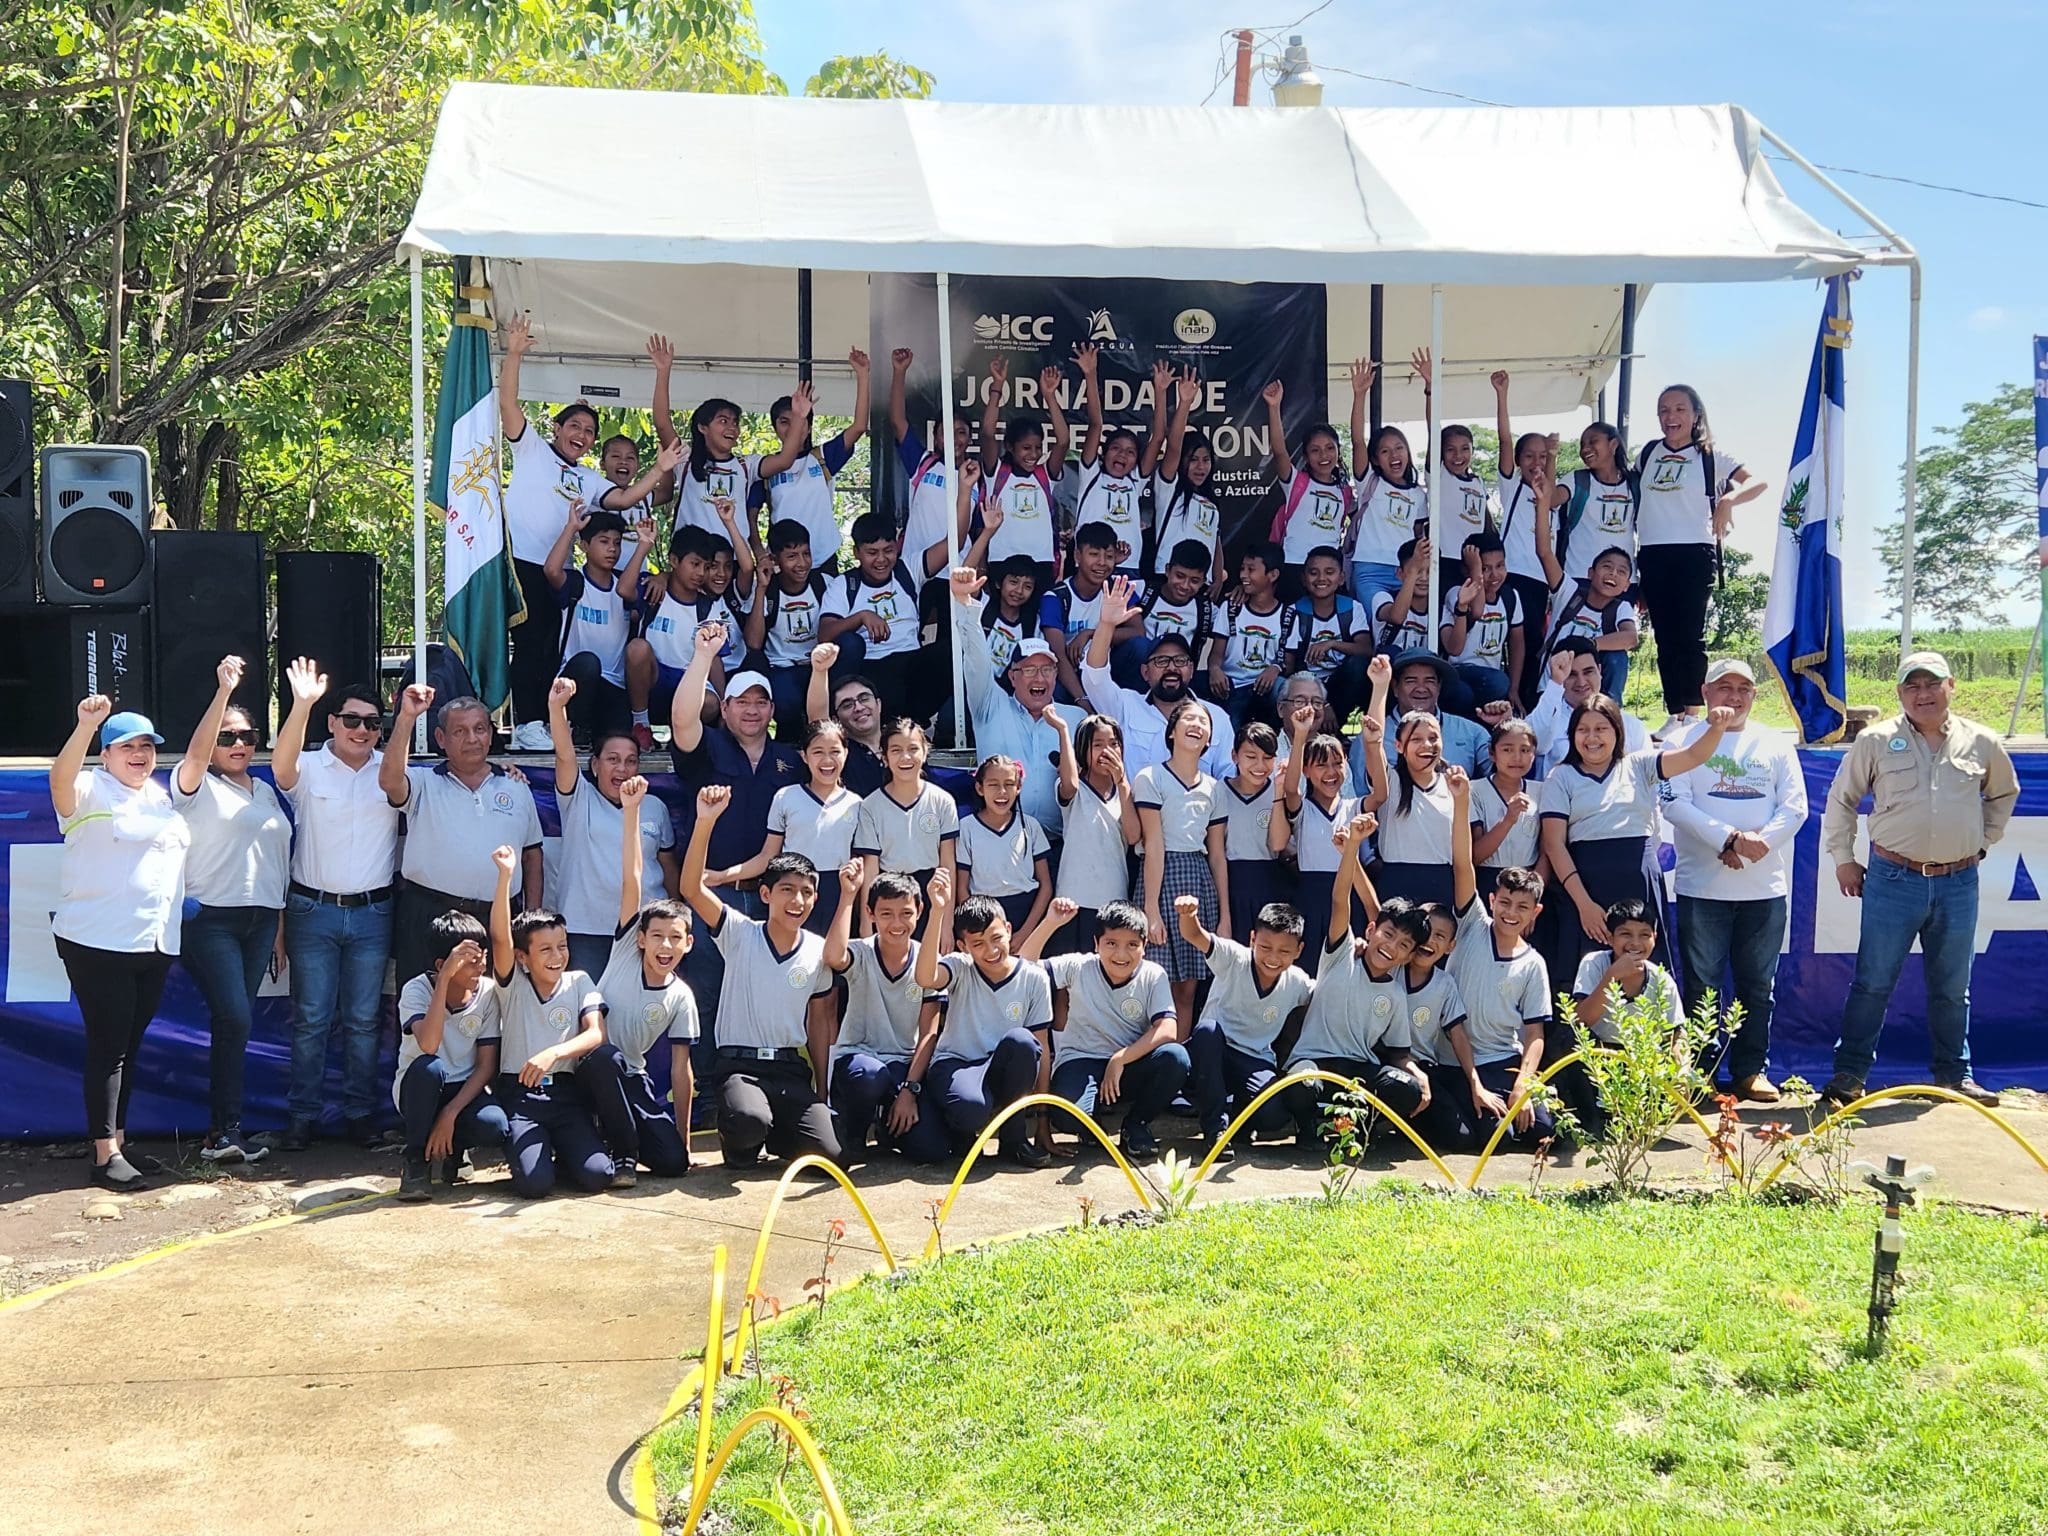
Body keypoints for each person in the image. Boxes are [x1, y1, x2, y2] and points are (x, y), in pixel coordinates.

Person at [1819, 651, 2017, 1109]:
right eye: (1912, 686)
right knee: (1872, 981)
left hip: (1958, 881)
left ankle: (1954, 1077)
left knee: (1952, 984)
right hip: (1892, 877)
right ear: (1899, 693)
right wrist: (1844, 858)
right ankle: (1849, 1076)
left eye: (1932, 685)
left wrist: (1982, 842)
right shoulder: (1875, 740)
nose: (1922, 694)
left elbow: (2004, 794)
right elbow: (1842, 800)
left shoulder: (1982, 742)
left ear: (1951, 686)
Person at [498, 316, 676, 748]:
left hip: (553, 568)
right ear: (557, 428)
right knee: (525, 642)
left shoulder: (592, 482)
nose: (581, 435)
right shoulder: (533, 448)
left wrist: (660, 469)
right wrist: (516, 352)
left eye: (589, 432)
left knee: (544, 646)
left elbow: (627, 498)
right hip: (517, 559)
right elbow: (507, 405)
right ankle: (521, 725)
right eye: (574, 426)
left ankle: (538, 723)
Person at [49, 696, 188, 1191]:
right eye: (127, 745)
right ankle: (103, 1154)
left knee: (128, 1046)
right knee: (109, 1048)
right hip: (97, 940)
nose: (140, 753)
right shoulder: (88, 788)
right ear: (105, 754)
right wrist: (86, 725)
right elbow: (60, 780)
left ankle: (119, 1143)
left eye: (148, 745)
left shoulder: (160, 796)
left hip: (152, 942)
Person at [1660, 659, 1807, 1100]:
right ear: (1705, 693)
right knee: (1702, 984)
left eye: (1744, 688)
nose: (1734, 696)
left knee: (1757, 986)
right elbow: (1674, 805)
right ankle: (1700, 1075)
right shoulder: (1680, 741)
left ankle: (1749, 1070)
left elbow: (1795, 805)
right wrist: (1729, 839)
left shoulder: (1774, 743)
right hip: (1702, 886)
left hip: (1763, 888)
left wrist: (1756, 842)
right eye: (1725, 687)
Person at [271, 661, 399, 1152]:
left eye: (372, 723)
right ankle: (302, 1118)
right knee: (311, 1019)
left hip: (373, 913)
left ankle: (360, 1117)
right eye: (352, 720)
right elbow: (281, 769)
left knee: (366, 1021)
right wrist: (301, 703)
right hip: (312, 911)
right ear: (332, 723)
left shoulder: (392, 771)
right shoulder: (308, 766)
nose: (362, 730)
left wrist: (508, 769)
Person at [681, 786, 843, 1166]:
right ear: (766, 894)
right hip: (740, 1067)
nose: (797, 901)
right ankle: (741, 1135)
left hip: (788, 1070)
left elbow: (820, 1024)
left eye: (806, 893)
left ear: (815, 900)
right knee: (749, 1121)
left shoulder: (818, 950)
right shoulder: (739, 932)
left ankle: (779, 1133)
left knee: (832, 1155)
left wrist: (823, 1090)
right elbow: (691, 888)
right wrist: (705, 822)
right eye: (787, 890)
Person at [670, 620, 804, 1064]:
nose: (751, 710)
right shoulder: (706, 748)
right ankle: (707, 1100)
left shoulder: (789, 760)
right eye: (741, 702)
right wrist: (704, 656)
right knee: (706, 995)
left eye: (760, 702)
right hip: (713, 898)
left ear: (772, 711)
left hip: (773, 900)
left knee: (766, 994)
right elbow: (682, 718)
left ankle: (756, 1085)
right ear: (724, 709)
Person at [172, 655, 288, 1164]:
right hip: (211, 918)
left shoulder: (264, 788)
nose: (239, 743)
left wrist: (280, 927)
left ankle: (228, 1130)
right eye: (228, 736)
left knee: (234, 1025)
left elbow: (276, 861)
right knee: (235, 1018)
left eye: (247, 735)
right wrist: (223, 692)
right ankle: (221, 1131)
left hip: (261, 919)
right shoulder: (193, 785)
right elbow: (196, 755)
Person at [1539, 696, 1731, 977]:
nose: (1592, 738)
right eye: (1583, 730)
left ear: (1617, 731)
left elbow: (1693, 756)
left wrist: (1716, 727)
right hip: (1584, 888)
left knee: (1645, 977)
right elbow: (1554, 845)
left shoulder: (1640, 765)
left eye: (1601, 728)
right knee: (1586, 979)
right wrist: (1585, 906)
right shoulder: (1561, 776)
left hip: (1638, 883)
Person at [381, 684, 545, 991]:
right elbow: (389, 780)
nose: (472, 738)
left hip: (497, 922)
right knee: (423, 1014)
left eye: (480, 729)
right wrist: (405, 717)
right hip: (429, 917)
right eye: (460, 732)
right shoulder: (422, 781)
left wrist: (531, 919)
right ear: (441, 739)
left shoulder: (516, 786)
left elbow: (532, 855)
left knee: (491, 1019)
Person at [1280, 815, 1431, 1146]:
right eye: (1388, 935)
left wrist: (1417, 1074)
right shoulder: (1340, 956)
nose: (1391, 947)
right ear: (1371, 931)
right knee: (1303, 1086)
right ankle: (1308, 1130)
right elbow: (1340, 901)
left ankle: (1352, 1129)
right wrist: (1351, 847)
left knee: (1404, 1088)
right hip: (1314, 1063)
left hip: (1359, 1071)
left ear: (1410, 956)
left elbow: (1399, 1054)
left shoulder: (1394, 991)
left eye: (1404, 945)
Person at [577, 776, 698, 1183]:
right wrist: (631, 813)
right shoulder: (628, 947)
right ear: (641, 938)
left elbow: (682, 1071)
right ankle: (623, 1153)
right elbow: (633, 876)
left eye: (675, 938)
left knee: (672, 1165)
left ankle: (628, 1141)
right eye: (657, 936)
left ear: (688, 945)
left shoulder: (681, 996)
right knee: (606, 1058)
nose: (665, 946)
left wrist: (684, 1138)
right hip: (590, 1071)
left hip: (633, 1077)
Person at [1634, 384, 1766, 737]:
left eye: (1679, 409)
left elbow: (1759, 482)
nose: (1670, 417)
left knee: (1689, 635)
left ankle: (1692, 711)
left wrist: (1728, 502)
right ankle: (1674, 712)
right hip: (1653, 551)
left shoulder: (1712, 456)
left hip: (1694, 551)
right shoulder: (1646, 454)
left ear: (1696, 415)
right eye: (1663, 410)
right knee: (1664, 636)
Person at [485, 844, 615, 1196]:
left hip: (566, 1096)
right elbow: (500, 936)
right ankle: (531, 1154)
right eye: (545, 950)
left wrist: (552, 1054)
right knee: (534, 1185)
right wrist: (505, 877)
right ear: (523, 957)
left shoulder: (579, 981)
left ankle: (568, 1153)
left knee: (598, 1176)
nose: (558, 956)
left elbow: (595, 1035)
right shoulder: (513, 985)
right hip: (522, 1096)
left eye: (563, 946)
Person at [1443, 767, 1557, 1151]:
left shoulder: (1533, 963)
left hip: (1502, 1060)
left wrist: (1524, 1082)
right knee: (1496, 1137)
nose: (1511, 912)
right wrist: (1461, 802)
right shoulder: (1473, 924)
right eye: (1504, 903)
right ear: (1492, 902)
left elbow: (1535, 1033)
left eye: (1522, 907)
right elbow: (1462, 863)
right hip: (1457, 1058)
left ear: (1534, 913)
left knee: (1544, 1130)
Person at [1023, 898, 1189, 1159]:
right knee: (1067, 1118)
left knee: (1176, 1058)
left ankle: (1136, 1125)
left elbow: (1168, 1028)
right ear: (1096, 943)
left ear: (1144, 946)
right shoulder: (1079, 966)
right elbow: (1024, 965)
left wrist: (1120, 1058)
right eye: (1111, 943)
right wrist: (1050, 922)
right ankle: (1091, 1123)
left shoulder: (1153, 975)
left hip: (1129, 1064)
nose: (1121, 955)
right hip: (1081, 1059)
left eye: (1132, 945)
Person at [914, 870, 1056, 1168]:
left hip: (1001, 1066)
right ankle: (960, 1130)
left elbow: (1041, 1049)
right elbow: (925, 977)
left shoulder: (1034, 977)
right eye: (977, 944)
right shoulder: (960, 967)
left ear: (1008, 929)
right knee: (970, 1109)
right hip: (957, 1063)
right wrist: (938, 911)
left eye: (996, 938)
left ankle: (1015, 1141)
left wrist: (1043, 1119)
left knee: (1023, 1042)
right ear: (964, 946)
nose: (991, 951)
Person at [546, 676, 678, 977]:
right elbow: (564, 754)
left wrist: (675, 919)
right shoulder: (579, 798)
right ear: (595, 765)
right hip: (586, 931)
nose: (622, 769)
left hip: (645, 932)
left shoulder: (655, 807)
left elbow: (668, 869)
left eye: (631, 761)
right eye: (613, 760)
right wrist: (557, 707)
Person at [823, 866, 948, 1163]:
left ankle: (890, 1128)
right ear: (870, 913)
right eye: (886, 913)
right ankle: (854, 1130)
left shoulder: (927, 960)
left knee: (932, 1150)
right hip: (860, 1061)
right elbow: (833, 957)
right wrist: (847, 895)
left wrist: (910, 1090)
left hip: (904, 1068)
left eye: (906, 913)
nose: (896, 923)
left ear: (919, 910)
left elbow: (930, 1032)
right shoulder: (862, 952)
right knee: (869, 1076)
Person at [948, 568, 1087, 835]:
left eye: (1047, 670)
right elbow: (977, 660)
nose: (1040, 677)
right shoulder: (990, 706)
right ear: (1012, 676)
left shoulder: (1075, 720)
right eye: (1029, 670)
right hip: (1000, 840)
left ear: (1056, 675)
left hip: (1060, 845)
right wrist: (965, 605)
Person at [1179, 896, 1314, 1161]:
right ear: (1252, 939)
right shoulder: (1233, 959)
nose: (1273, 958)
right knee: (1206, 1031)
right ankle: (1216, 1130)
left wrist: (1356, 955)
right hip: (1213, 1054)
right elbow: (1195, 935)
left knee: (1274, 1117)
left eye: (1284, 951)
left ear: (1299, 951)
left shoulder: (1298, 983)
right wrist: (1188, 915)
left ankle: (1239, 1118)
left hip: (1254, 1059)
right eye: (1265, 946)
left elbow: (1329, 993)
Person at [392, 914, 509, 1202]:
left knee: (495, 1126)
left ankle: (454, 1150)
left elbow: (485, 1067)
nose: (480, 966)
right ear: (441, 965)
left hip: (464, 1089)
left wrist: (451, 1113)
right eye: (468, 959)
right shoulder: (416, 990)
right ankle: (416, 1160)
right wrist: (443, 981)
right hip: (420, 1087)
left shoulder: (488, 992)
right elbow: (429, 1045)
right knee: (430, 1068)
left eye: (482, 957)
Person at [1134, 701, 1231, 1036]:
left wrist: (1225, 916)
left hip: (1198, 876)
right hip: (1160, 878)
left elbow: (1217, 854)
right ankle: (1155, 1059)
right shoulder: (1151, 777)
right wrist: (1150, 909)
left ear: (1209, 740)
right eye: (1188, 719)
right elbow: (1154, 844)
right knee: (1156, 981)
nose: (1196, 725)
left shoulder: (1215, 788)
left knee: (1188, 987)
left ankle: (1181, 1058)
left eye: (1203, 722)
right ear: (1171, 731)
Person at [712, 719, 861, 937]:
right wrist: (720, 876)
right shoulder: (786, 797)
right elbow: (767, 857)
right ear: (804, 756)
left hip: (838, 895)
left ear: (846, 753)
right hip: (792, 892)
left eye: (835, 751)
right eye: (818, 751)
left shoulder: (857, 804)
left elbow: (863, 864)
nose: (827, 760)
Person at [543, 492, 666, 747]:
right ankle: (576, 729)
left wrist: (643, 546)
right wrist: (571, 528)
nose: (612, 549)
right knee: (589, 663)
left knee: (618, 740)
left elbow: (627, 591)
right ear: (585, 545)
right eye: (603, 541)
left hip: (615, 686)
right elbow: (551, 570)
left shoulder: (625, 581)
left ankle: (601, 730)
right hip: (576, 680)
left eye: (617, 542)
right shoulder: (576, 583)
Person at [1082, 576, 1232, 779]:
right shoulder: (1125, 706)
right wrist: (1107, 625)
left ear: (1192, 669)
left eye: (1180, 660)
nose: (1171, 668)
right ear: (1145, 672)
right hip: (1132, 809)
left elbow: (1229, 779)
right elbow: (1094, 677)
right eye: (1161, 661)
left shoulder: (1216, 719)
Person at [1558, 899, 1684, 1139]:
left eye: (1644, 935)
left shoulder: (1661, 979)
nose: (1635, 943)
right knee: (1571, 1041)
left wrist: (1681, 1070)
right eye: (1625, 934)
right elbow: (1582, 1020)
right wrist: (1612, 977)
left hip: (1640, 1061)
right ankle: (1591, 1117)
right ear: (1610, 937)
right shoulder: (1594, 964)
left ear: (1655, 937)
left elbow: (1676, 1035)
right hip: (1598, 1057)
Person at [755, 355, 871, 571]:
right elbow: (750, 518)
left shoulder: (822, 458)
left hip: (823, 559)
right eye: (784, 422)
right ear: (774, 428)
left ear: (808, 427)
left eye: (801, 421)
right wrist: (761, 554)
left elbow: (858, 427)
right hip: (784, 563)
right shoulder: (766, 468)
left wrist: (863, 375)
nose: (793, 428)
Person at [1359, 659, 1459, 908]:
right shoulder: (1389, 782)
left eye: (1433, 738)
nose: (1427, 745)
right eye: (1416, 739)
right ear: (1400, 746)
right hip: (1397, 885)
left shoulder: (1455, 785)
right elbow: (1373, 742)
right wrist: (1380, 686)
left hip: (1444, 885)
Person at [1490, 371, 1562, 710]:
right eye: (1529, 456)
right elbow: (1505, 440)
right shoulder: (1513, 486)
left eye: (1542, 457)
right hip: (1511, 576)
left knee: (1533, 646)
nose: (1536, 462)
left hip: (1539, 583)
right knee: (1500, 642)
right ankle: (1496, 700)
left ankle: (1528, 708)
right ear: (1518, 461)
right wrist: (1502, 395)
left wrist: (1555, 455)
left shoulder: (1554, 500)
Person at [1273, 701, 1363, 952]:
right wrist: (1300, 734)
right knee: (1311, 962)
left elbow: (1380, 793)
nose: (1331, 772)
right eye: (1321, 765)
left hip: (1350, 893)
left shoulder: (1355, 807)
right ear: (1306, 771)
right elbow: (1290, 788)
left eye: (1337, 763)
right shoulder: (1302, 809)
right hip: (1310, 894)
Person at [818, 511, 924, 721]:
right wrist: (861, 617)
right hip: (870, 667)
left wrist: (966, 489)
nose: (881, 559)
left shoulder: (908, 570)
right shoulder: (844, 584)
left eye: (888, 551)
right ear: (856, 552)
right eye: (872, 552)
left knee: (949, 653)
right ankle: (844, 720)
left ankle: (929, 725)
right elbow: (824, 634)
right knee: (849, 642)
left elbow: (952, 543)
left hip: (910, 661)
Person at [1051, 711, 1141, 956]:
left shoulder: (1126, 791)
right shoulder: (1075, 790)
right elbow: (1068, 783)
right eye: (1097, 745)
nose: (1107, 751)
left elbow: (1133, 837)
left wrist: (1122, 781)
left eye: (1113, 744)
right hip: (1073, 900)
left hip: (1113, 898)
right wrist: (1062, 730)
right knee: (1067, 977)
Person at [1070, 347, 1166, 575]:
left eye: (1130, 452)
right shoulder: (1091, 475)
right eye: (1116, 448)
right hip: (1089, 567)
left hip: (1128, 568)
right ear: (1104, 453)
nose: (1122, 455)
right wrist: (1090, 374)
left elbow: (1159, 436)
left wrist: (1160, 391)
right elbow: (1096, 424)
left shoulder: (1135, 481)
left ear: (1136, 460)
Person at [888, 347, 979, 586]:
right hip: (917, 567)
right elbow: (898, 422)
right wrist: (899, 372)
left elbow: (979, 529)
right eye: (946, 432)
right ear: (936, 438)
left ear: (969, 439)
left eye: (961, 432)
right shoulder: (923, 463)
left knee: (954, 625)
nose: (954, 438)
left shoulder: (976, 475)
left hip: (957, 571)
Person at [852, 719, 959, 921]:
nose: (905, 757)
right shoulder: (871, 806)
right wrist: (867, 925)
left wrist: (947, 922)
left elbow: (947, 864)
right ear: (884, 757)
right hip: (887, 892)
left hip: (930, 892)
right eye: (896, 750)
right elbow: (871, 869)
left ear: (925, 752)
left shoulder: (942, 801)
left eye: (913, 749)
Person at [651, 337, 755, 543]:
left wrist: (799, 417)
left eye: (735, 422)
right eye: (723, 421)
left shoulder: (746, 464)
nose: (731, 427)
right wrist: (663, 371)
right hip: (690, 562)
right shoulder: (686, 458)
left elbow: (785, 460)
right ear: (702, 427)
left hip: (729, 563)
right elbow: (662, 423)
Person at [1348, 650, 1495, 794]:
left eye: (1429, 681)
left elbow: (1504, 777)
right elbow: (1361, 798)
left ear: (1439, 687)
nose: (1421, 688)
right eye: (1411, 681)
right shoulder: (1368, 739)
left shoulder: (1471, 732)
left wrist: (1501, 726)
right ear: (1395, 688)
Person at [977, 356, 1071, 575]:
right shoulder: (997, 473)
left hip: (1041, 564)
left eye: (1038, 448)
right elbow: (988, 433)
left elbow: (1064, 441)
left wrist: (1049, 396)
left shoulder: (1044, 475)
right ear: (1009, 446)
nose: (1034, 454)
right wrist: (997, 386)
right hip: (1002, 562)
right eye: (1026, 448)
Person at [744, 520, 830, 739]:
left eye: (806, 554)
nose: (801, 563)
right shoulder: (766, 589)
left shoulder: (824, 584)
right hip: (781, 667)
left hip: (818, 665)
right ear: (775, 559)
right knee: (787, 704)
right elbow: (753, 643)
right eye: (792, 556)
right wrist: (762, 588)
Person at [1205, 541, 1300, 731]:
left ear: (1273, 575)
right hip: (1230, 685)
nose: (1243, 575)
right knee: (1230, 726)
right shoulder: (1231, 607)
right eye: (1242, 569)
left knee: (1284, 688)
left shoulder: (1287, 615)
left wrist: (1274, 668)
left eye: (1251, 569)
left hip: (1263, 688)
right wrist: (1215, 668)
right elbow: (1217, 652)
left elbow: (1288, 663)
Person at [957, 754, 1052, 942]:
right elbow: (962, 887)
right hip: (983, 914)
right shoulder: (966, 827)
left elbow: (1046, 886)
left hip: (1026, 913)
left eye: (1009, 784)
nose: (1002, 791)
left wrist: (1026, 932)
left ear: (1018, 788)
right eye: (993, 784)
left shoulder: (1031, 826)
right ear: (980, 788)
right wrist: (979, 929)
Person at [1042, 520, 1137, 704]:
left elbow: (1138, 632)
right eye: (1093, 555)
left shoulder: (1118, 588)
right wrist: (1083, 700)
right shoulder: (1056, 597)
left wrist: (1090, 634)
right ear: (1077, 556)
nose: (1102, 563)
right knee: (1053, 688)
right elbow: (1058, 656)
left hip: (1104, 671)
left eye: (1109, 556)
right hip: (1069, 674)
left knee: (1138, 647)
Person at [1265, 380, 1353, 574]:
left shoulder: (1345, 491)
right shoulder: (1296, 482)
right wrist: (1274, 407)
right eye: (1315, 450)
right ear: (1305, 456)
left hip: (1328, 570)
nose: (1324, 456)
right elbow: (1280, 451)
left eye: (1330, 448)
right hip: (1294, 566)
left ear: (1339, 451)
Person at [1152, 370, 1226, 595]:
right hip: (1166, 580)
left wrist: (1217, 578)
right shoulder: (1170, 489)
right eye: (1193, 460)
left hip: (1200, 585)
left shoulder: (1210, 500)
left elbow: (1215, 539)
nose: (1200, 467)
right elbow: (1173, 446)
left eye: (1205, 460)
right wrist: (1185, 402)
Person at [1527, 639, 1648, 773]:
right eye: (1571, 675)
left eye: (1588, 672)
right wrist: (1555, 683)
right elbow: (1537, 745)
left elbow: (1649, 776)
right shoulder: (1547, 717)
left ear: (1600, 671)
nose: (1581, 682)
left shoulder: (1631, 726)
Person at [1438, 531, 1523, 717]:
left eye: (1500, 566)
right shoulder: (1457, 593)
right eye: (1485, 568)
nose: (1494, 575)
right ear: (1467, 571)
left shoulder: (1511, 597)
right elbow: (1476, 610)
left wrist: (1514, 690)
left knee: (1501, 686)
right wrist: (1475, 568)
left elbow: (1517, 644)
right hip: (1458, 672)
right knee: (1468, 693)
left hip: (1490, 678)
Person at [1291, 546, 1373, 725]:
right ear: (1304, 579)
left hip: (1341, 684)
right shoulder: (1294, 611)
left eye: (1329, 572)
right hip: (1307, 684)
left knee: (1360, 666)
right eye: (1314, 572)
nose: (1321, 578)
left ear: (1342, 578)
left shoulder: (1352, 608)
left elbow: (1366, 649)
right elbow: (1292, 665)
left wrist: (1331, 644)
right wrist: (1322, 702)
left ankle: (1350, 729)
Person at [1221, 722, 1283, 940]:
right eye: (1251, 756)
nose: (1260, 765)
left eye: (1267, 757)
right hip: (1229, 884)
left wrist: (1280, 793)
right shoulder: (1218, 792)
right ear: (1235, 756)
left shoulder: (1279, 792)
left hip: (1268, 884)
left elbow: (1278, 844)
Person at [1469, 717, 1542, 898]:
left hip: (1529, 883)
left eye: (1525, 750)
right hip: (1487, 882)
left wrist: (1536, 892)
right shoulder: (1474, 790)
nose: (1517, 757)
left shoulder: (1541, 791)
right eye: (1507, 749)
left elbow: (1548, 850)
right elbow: (1475, 856)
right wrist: (1508, 820)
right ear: (1492, 753)